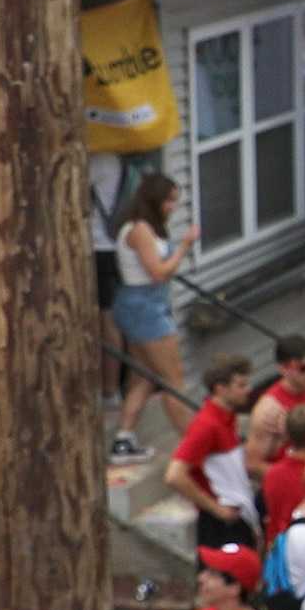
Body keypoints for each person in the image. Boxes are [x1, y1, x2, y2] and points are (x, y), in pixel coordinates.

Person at [107, 169, 195, 448]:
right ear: (154, 200)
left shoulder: (141, 228)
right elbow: (157, 272)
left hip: (141, 305)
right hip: (145, 307)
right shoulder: (140, 230)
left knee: (144, 375)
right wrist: (184, 248)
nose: (172, 207)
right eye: (169, 201)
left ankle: (124, 436)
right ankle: (193, 442)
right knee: (173, 380)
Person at [165, 352, 263, 557]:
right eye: (241, 385)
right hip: (222, 524)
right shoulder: (207, 425)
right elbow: (174, 475)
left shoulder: (227, 418)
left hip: (238, 516)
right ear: (220, 389)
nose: (249, 389)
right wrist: (217, 510)